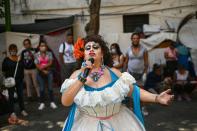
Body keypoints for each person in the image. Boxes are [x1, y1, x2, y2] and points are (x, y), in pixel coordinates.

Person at [60, 35, 174, 131]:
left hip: (120, 123)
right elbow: (65, 102)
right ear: (83, 54)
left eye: (95, 47)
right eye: (87, 48)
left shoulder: (114, 73)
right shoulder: (76, 75)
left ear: (102, 53)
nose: (91, 49)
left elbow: (135, 91)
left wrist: (157, 98)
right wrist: (82, 78)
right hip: (85, 125)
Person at [2, 44, 28, 122]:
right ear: (9, 51)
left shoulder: (19, 58)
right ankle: (12, 112)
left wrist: (23, 78)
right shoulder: (6, 59)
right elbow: (3, 70)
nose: (13, 51)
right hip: (10, 81)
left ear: (16, 50)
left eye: (14, 49)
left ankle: (22, 109)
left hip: (19, 80)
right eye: (11, 49)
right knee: (11, 97)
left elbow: (22, 67)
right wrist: (5, 79)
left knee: (20, 95)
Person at [125, 32, 149, 115]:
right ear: (131, 39)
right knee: (131, 91)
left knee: (141, 91)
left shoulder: (144, 49)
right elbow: (126, 61)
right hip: (131, 73)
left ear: (139, 39)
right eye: (134, 38)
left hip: (141, 73)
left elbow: (146, 62)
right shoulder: (128, 49)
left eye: (137, 38)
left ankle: (143, 108)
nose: (135, 39)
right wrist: (124, 73)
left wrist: (145, 73)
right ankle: (131, 108)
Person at [34, 41, 57, 110]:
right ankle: (42, 103)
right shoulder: (36, 55)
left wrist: (43, 67)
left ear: (46, 47)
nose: (42, 47)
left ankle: (52, 102)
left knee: (50, 88)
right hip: (40, 73)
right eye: (41, 46)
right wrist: (43, 70)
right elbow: (36, 64)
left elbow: (50, 62)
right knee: (42, 88)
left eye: (44, 45)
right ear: (39, 47)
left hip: (49, 72)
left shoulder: (49, 53)